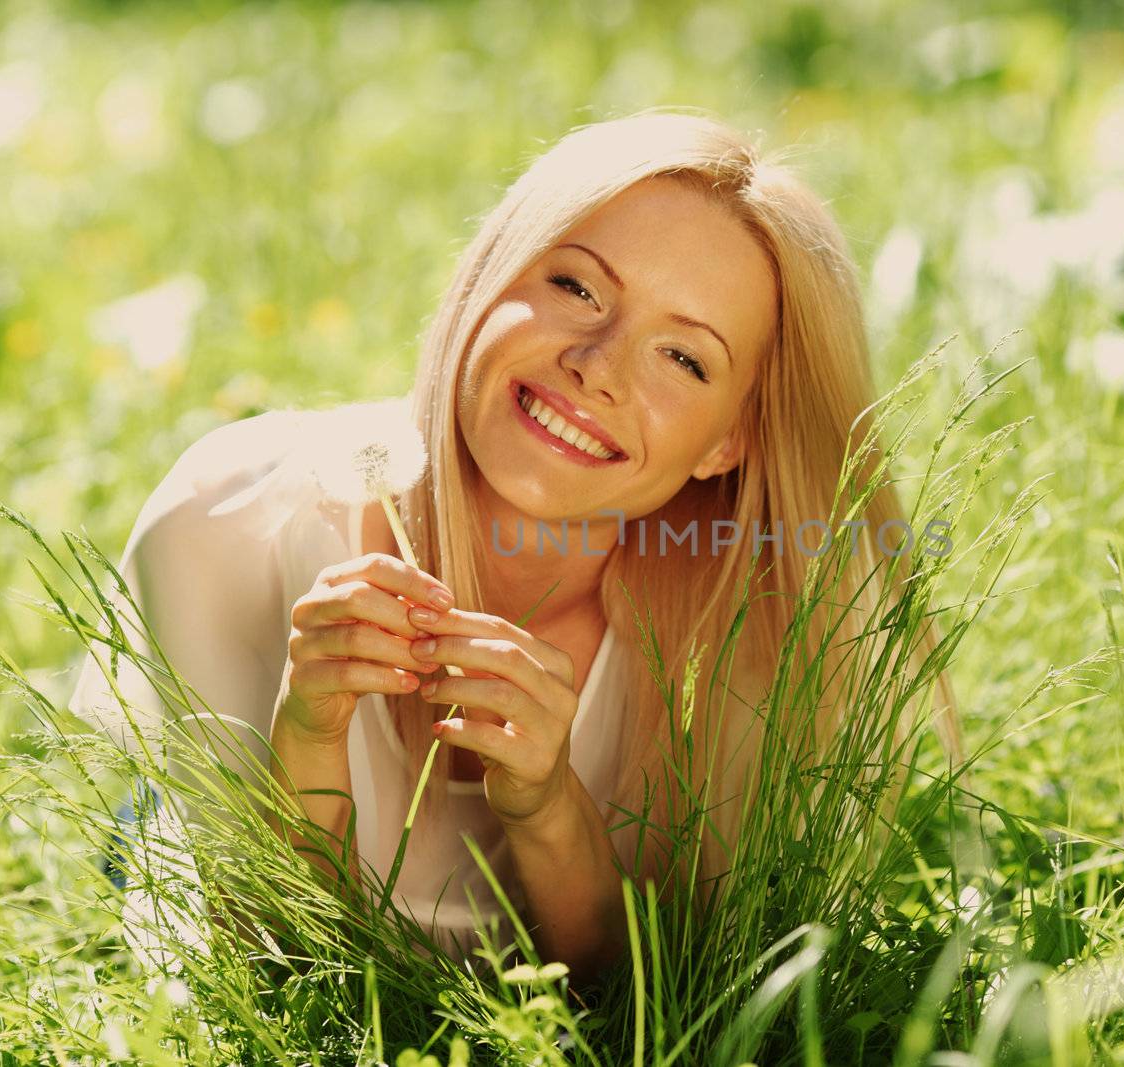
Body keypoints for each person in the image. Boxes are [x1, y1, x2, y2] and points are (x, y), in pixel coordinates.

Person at [68, 107, 960, 985]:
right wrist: (307, 739)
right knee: (150, 835)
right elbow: (267, 973)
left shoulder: (763, 630)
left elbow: (657, 1008)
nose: (598, 366)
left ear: (729, 441)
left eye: (683, 358)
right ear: (488, 277)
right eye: (577, 288)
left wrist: (548, 808)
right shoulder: (227, 524)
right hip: (200, 864)